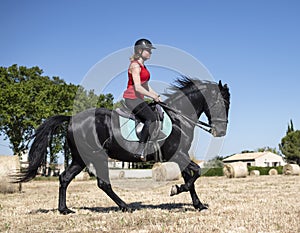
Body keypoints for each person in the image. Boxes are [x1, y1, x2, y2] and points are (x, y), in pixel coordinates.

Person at [123, 38, 161, 161]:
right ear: (140, 50)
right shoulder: (135, 65)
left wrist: (156, 95)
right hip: (132, 98)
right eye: (148, 50)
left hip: (139, 99)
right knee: (151, 118)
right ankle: (141, 149)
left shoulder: (143, 66)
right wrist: (152, 96)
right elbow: (138, 87)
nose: (150, 52)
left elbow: (146, 85)